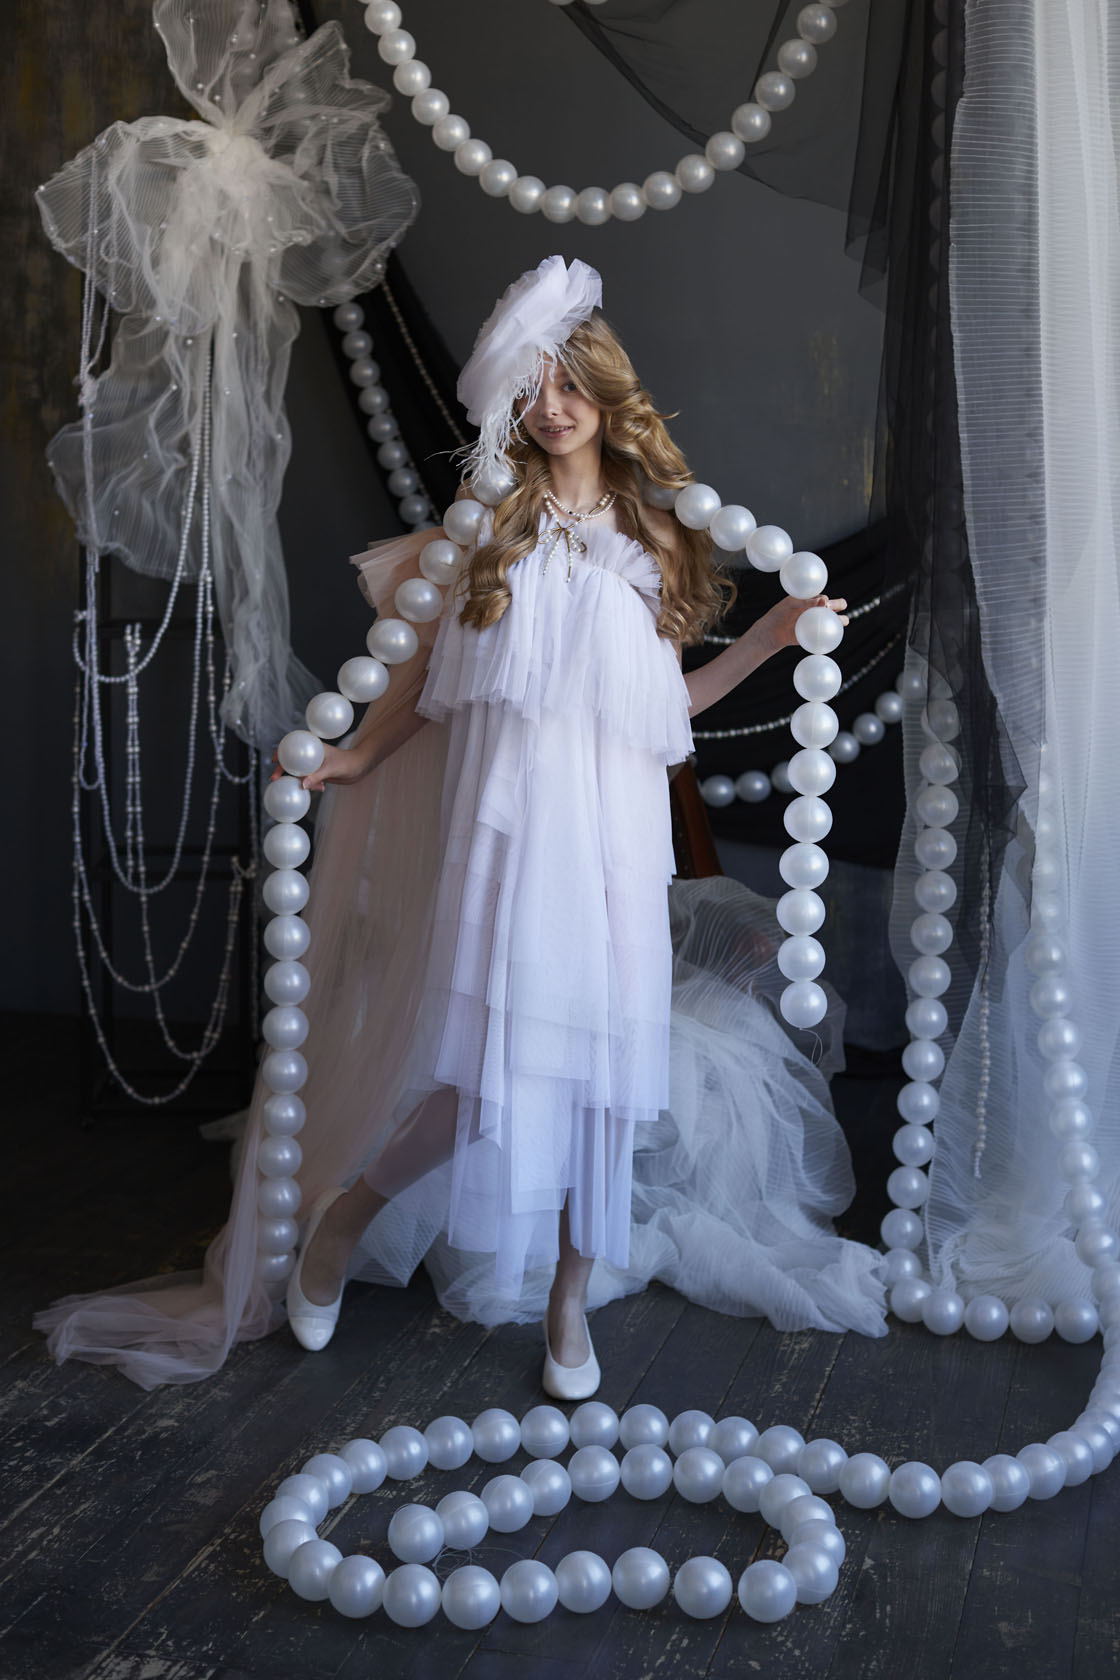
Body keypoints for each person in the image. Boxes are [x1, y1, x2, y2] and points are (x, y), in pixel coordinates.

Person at [35, 255, 885, 1394]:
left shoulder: (655, 536)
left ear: (604, 391)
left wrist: (773, 640)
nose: (552, 407)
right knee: (485, 1074)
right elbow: (425, 679)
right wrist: (356, 754)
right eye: (531, 391)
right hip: (514, 825)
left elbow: (668, 706)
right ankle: (341, 1222)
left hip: (611, 834)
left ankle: (569, 1305)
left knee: (606, 1081)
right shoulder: (489, 529)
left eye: (568, 384)